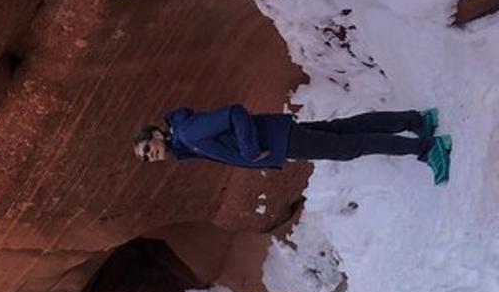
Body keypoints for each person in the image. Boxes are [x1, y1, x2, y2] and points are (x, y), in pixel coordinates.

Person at [133, 104, 452, 184]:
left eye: (147, 148)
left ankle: (427, 148)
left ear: (156, 135)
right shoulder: (186, 142)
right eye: (145, 159)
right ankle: (416, 121)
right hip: (279, 136)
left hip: (279, 141)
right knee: (345, 130)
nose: (151, 156)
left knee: (350, 145)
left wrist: (249, 151)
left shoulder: (187, 133)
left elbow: (233, 112)